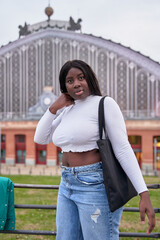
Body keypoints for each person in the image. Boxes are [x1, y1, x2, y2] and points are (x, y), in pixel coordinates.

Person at [34, 60, 155, 240]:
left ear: (89, 78)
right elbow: (40, 138)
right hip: (66, 183)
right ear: (64, 86)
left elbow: (123, 149)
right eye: (69, 80)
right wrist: (53, 108)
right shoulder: (67, 110)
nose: (76, 83)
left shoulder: (105, 104)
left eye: (80, 77)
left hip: (94, 184)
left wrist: (143, 193)